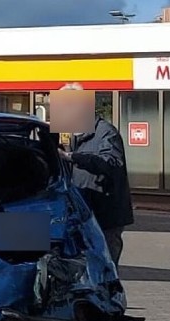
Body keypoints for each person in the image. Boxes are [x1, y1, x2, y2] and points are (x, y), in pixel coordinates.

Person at [56, 83, 133, 266]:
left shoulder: (105, 132)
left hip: (104, 217)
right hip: (80, 215)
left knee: (104, 269)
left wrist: (73, 157)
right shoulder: (69, 135)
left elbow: (111, 163)